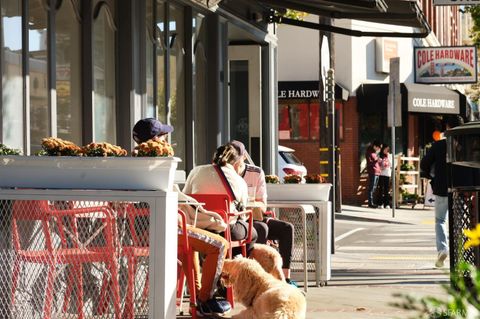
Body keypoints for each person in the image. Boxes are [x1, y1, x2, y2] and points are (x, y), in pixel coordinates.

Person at [132, 118, 231, 316]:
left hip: (139, 232)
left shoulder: (131, 164)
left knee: (191, 244)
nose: (168, 142)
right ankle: (204, 300)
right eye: (164, 137)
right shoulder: (158, 164)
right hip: (162, 230)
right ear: (157, 140)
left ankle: (198, 302)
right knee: (220, 245)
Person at [230, 140, 297, 286]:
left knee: (287, 228)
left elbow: (262, 204)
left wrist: (252, 204)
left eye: (237, 159)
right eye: (231, 158)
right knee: (261, 228)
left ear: (244, 157)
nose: (234, 163)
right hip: (236, 220)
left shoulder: (256, 172)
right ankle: (256, 277)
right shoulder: (225, 175)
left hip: (254, 216)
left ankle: (285, 278)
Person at [182, 143, 259, 256]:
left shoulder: (196, 171)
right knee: (253, 233)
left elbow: (185, 197)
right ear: (236, 162)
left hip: (196, 226)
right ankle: (236, 266)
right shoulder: (239, 180)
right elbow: (241, 214)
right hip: (224, 229)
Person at [420, 115, 464, 268]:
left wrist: (428, 175)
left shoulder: (439, 146)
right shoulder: (466, 145)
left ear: (447, 127)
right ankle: (460, 253)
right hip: (461, 188)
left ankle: (443, 249)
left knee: (440, 220)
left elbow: (424, 163)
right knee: (460, 222)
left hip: (442, 188)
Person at [365, 140, 382, 208]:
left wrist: (379, 161)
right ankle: (370, 203)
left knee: (374, 188)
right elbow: (369, 163)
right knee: (371, 188)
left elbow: (375, 162)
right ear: (375, 146)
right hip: (372, 172)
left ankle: (372, 202)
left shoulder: (375, 153)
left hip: (377, 172)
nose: (379, 149)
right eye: (378, 147)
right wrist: (376, 160)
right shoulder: (369, 152)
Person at [378, 144, 392, 209]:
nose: (387, 150)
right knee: (381, 188)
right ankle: (380, 203)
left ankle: (387, 204)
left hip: (387, 173)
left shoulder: (389, 155)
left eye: (387, 149)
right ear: (383, 149)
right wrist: (381, 164)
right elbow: (377, 163)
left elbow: (392, 164)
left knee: (387, 189)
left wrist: (387, 163)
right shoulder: (379, 155)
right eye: (385, 149)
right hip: (381, 173)